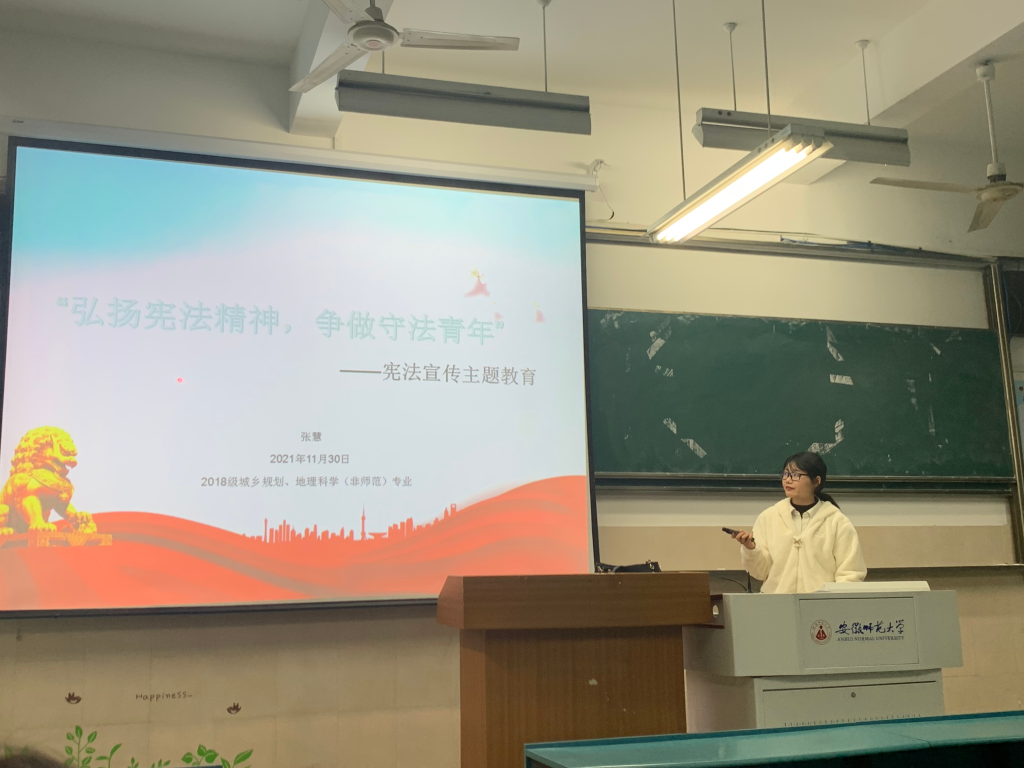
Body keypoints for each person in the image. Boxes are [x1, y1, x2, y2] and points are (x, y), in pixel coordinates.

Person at [731, 451, 866, 593]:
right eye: (785, 474)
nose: (788, 480)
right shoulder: (768, 518)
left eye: (795, 475)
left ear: (816, 481)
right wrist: (751, 548)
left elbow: (850, 573)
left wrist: (832, 601)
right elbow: (760, 572)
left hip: (820, 605)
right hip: (777, 602)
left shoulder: (836, 521)